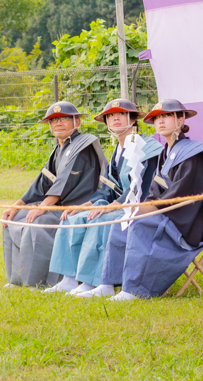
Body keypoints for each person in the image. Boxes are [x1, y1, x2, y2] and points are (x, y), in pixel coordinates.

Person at [99, 99, 203, 301]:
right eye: (157, 117)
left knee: (140, 224)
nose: (160, 120)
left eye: (167, 115)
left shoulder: (194, 152)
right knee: (121, 222)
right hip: (169, 211)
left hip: (193, 219)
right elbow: (154, 190)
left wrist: (150, 209)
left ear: (180, 119)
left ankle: (134, 290)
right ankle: (108, 283)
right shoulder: (164, 154)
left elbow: (184, 193)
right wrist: (140, 207)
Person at [43, 99, 162, 297]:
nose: (115, 118)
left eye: (121, 114)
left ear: (132, 119)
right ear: (106, 122)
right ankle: (69, 279)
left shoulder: (145, 147)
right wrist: (86, 205)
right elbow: (107, 187)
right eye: (110, 115)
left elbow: (142, 186)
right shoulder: (118, 150)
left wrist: (113, 206)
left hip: (139, 207)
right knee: (72, 218)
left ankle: (100, 283)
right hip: (118, 204)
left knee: (101, 219)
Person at [1, 101, 105, 288]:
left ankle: (38, 282)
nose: (59, 123)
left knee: (38, 222)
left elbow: (63, 182)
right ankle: (17, 279)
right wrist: (17, 205)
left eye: (64, 119)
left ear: (77, 122)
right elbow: (42, 181)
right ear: (49, 126)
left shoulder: (83, 145)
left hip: (78, 207)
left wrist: (43, 208)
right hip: (59, 205)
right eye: (54, 120)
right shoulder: (59, 148)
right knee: (14, 219)